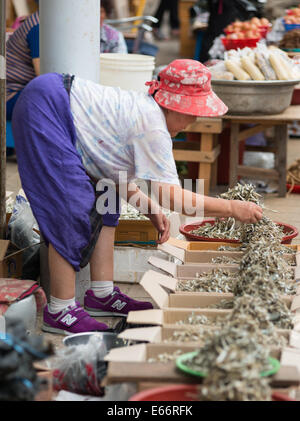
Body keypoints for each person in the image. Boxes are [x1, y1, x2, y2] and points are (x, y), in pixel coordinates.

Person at [12, 59, 263, 335]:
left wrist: (149, 208)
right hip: (46, 107)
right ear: (175, 105)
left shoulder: (148, 114)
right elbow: (174, 198)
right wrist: (230, 207)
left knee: (106, 196)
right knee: (70, 206)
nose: (194, 121)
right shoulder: (153, 125)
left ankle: (102, 294)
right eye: (193, 113)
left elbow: (115, 173)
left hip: (59, 105)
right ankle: (60, 310)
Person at [6, 0, 127, 120]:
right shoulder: (40, 27)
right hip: (10, 95)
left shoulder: (53, 22)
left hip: (25, 92)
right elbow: (47, 80)